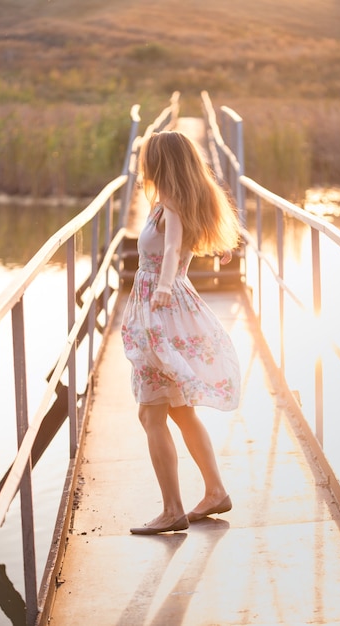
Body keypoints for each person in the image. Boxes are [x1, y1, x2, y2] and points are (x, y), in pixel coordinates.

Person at [121, 130, 241, 535]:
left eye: (148, 158)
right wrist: (219, 249)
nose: (144, 165)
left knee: (150, 412)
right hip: (163, 308)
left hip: (162, 312)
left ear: (161, 162)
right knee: (179, 409)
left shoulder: (170, 204)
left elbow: (172, 249)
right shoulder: (173, 202)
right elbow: (182, 243)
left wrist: (165, 287)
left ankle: (172, 509)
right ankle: (215, 492)